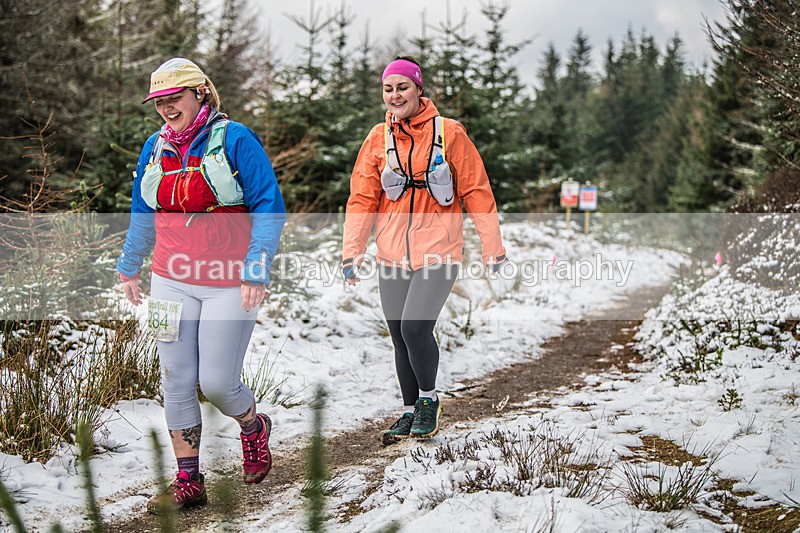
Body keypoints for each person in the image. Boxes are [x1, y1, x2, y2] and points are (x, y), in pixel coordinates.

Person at [116, 57, 286, 511]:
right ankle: (188, 480)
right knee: (175, 378)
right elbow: (142, 213)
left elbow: (269, 204)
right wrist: (129, 265)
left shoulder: (235, 139)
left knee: (215, 382)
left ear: (201, 93)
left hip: (227, 280)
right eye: (160, 102)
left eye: (175, 98)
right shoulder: (154, 147)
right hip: (168, 281)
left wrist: (257, 267)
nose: (167, 109)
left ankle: (252, 425)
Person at [342, 56, 507, 445]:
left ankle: (429, 401)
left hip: (439, 250)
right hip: (391, 253)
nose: (395, 95)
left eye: (403, 87)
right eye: (388, 88)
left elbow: (477, 191)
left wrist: (492, 246)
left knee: (417, 327)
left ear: (419, 89)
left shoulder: (449, 133)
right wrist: (353, 251)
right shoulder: (376, 139)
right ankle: (408, 410)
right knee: (399, 333)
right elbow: (361, 199)